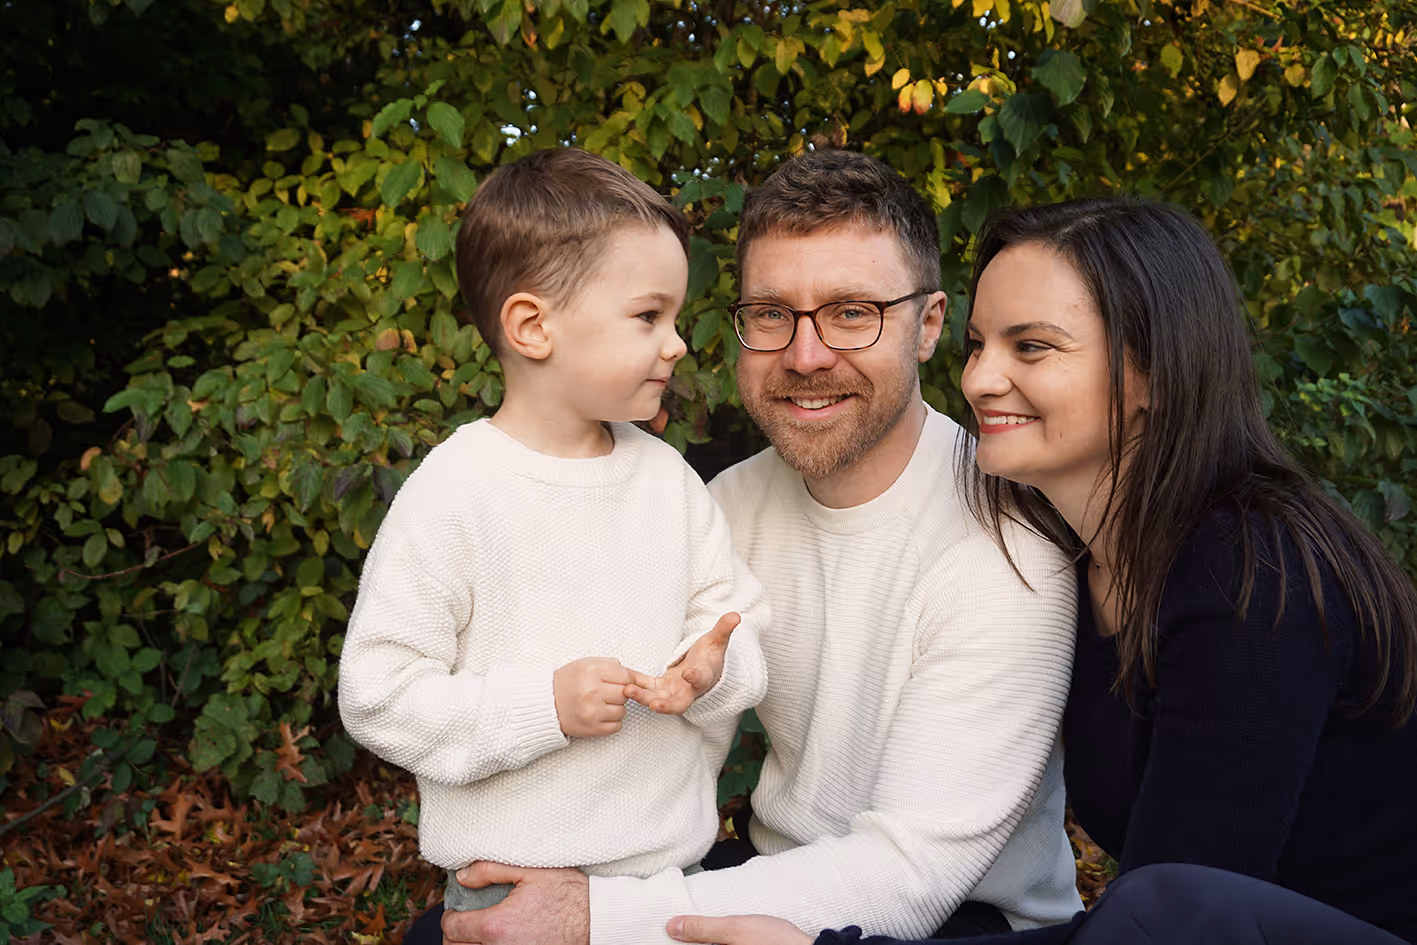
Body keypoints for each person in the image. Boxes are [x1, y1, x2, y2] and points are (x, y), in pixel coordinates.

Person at [663, 197, 1417, 944]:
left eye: (1030, 347)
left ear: (1156, 372)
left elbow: (1172, 918)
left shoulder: (1252, 574)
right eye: (980, 345)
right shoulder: (1090, 557)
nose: (980, 380)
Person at [424, 149, 1084, 945]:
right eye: (771, 314)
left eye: (851, 312)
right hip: (775, 869)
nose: (805, 356)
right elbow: (636, 727)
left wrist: (591, 915)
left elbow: (909, 875)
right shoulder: (721, 507)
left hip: (963, 922)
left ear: (929, 324)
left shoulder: (1008, 546)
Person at [338, 148, 768, 918]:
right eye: (648, 316)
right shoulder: (457, 491)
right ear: (533, 327)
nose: (676, 343)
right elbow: (378, 694)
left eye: (674, 318)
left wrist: (707, 667)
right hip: (510, 887)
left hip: (666, 879)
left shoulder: (667, 481)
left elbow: (733, 621)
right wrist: (545, 706)